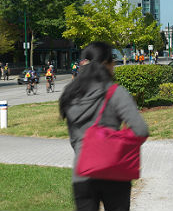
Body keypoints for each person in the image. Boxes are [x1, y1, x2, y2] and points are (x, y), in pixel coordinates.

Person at [59, 42, 149, 211]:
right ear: (106, 64)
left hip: (82, 173)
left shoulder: (69, 94)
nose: (114, 65)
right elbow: (141, 130)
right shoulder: (115, 92)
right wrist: (119, 144)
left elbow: (74, 140)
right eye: (112, 61)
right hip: (114, 174)